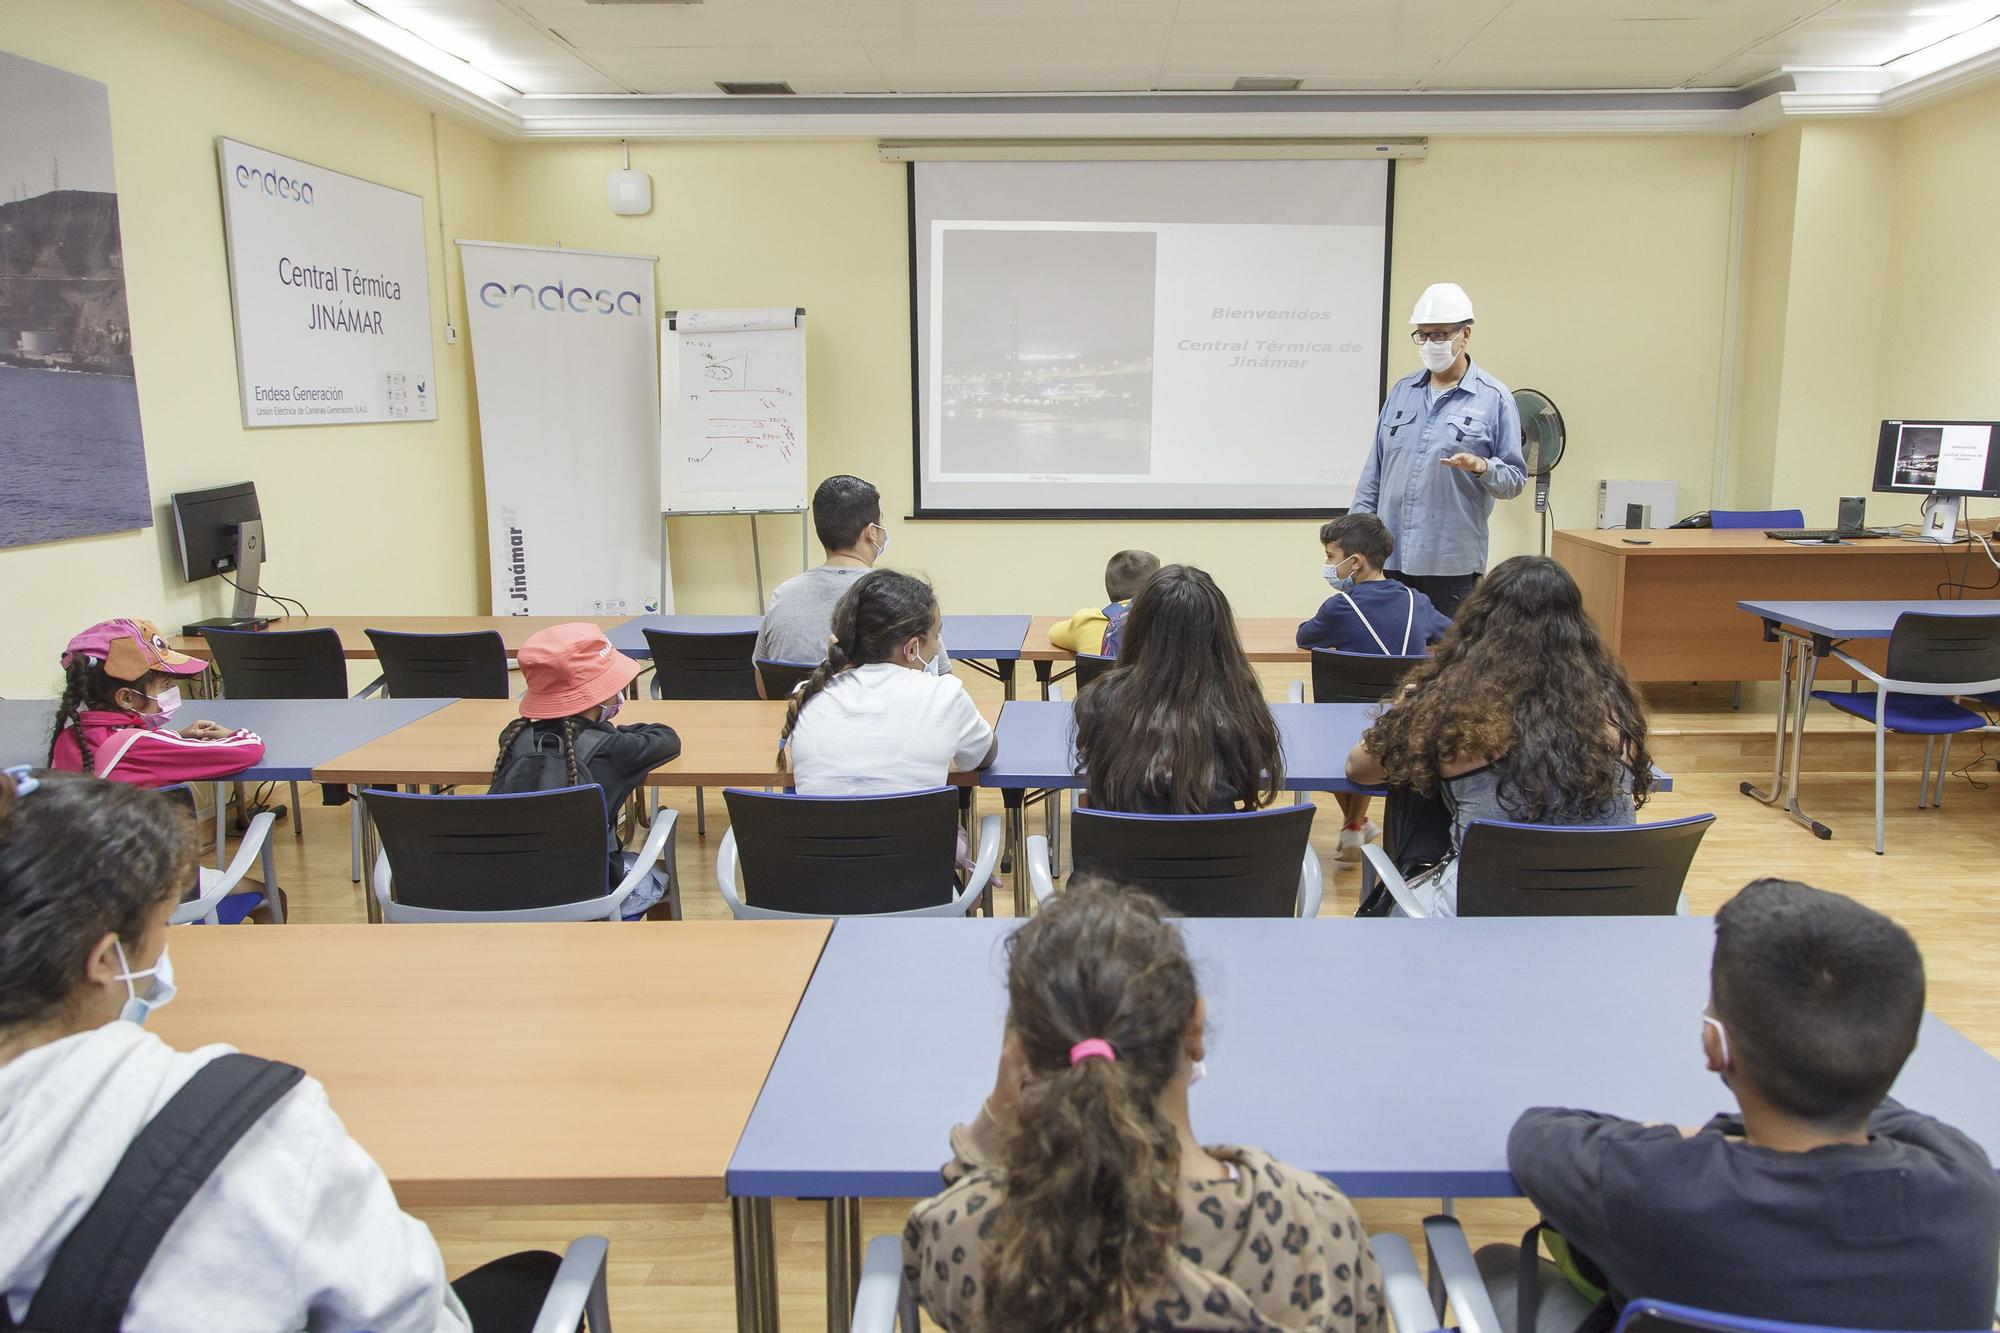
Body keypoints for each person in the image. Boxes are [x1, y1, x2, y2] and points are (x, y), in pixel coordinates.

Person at [0, 768, 571, 1332]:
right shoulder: (252, 1128)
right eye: (161, 927)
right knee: (538, 1279)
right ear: (104, 961)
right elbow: (411, 1316)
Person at [1485, 878, 2000, 1331]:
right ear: (1903, 1049)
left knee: (1497, 1266)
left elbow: (1535, 1135)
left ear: (1717, 1046)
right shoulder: (1969, 1188)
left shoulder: (1657, 1184)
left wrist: (1695, 1137)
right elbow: (1897, 1116)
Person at [903, 881, 1384, 1333]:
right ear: (1194, 1027)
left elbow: (948, 1224)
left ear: (1022, 1057)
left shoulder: (971, 1237)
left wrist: (996, 1117)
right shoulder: (1318, 1229)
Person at [1344, 556, 1650, 916]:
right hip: (1607, 910)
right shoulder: (1614, 709)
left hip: (1485, 908)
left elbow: (1359, 770)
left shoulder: (1452, 707)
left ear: (1480, 620)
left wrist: (1402, 707)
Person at [1350, 282, 1526, 617]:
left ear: (1466, 334)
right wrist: (1352, 546)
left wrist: (1483, 467)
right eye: (1423, 335)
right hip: (1390, 559)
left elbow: (1515, 479)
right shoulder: (1402, 392)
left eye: (1440, 335)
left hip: (1450, 566)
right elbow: (1373, 475)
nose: (1431, 344)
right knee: (1387, 661)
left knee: (1448, 662)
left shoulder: (1494, 398)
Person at [490, 623, 682, 919]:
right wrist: (610, 731)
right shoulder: (615, 749)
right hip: (592, 901)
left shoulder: (513, 738)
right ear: (600, 693)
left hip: (503, 896)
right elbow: (667, 738)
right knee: (656, 877)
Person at [1298, 514, 1451, 863]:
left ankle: (1354, 824)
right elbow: (1452, 634)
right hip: (1404, 724)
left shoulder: (1340, 606)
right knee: (1372, 733)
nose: (1327, 565)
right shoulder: (1418, 602)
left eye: (1331, 557)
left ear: (1357, 562)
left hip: (1340, 729)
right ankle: (1355, 825)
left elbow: (1305, 636)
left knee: (1348, 743)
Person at [1073, 565, 1282, 815]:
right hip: (1219, 850)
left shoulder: (1101, 700)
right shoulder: (1239, 704)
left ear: (1138, 627)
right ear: (1220, 633)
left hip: (1125, 850)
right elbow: (1248, 777)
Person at [779, 569, 996, 792]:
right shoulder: (945, 695)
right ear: (912, 648)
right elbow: (983, 755)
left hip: (817, 827)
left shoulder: (809, 695)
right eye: (935, 636)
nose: (938, 646)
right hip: (917, 827)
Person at [753, 474, 949, 688]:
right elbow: (940, 679)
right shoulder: (904, 599)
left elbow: (764, 687)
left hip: (801, 718)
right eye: (881, 520)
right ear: (872, 532)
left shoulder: (783, 595)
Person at [48, 618, 264, 784]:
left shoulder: (69, 737)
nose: (169, 691)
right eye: (164, 685)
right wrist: (237, 734)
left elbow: (126, 753)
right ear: (126, 698)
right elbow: (247, 750)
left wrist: (175, 736)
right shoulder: (140, 747)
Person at [1048, 548, 1161, 657]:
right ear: (1156, 587)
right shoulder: (1168, 624)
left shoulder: (1086, 621)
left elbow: (1053, 633)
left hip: (1104, 677)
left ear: (1108, 585)